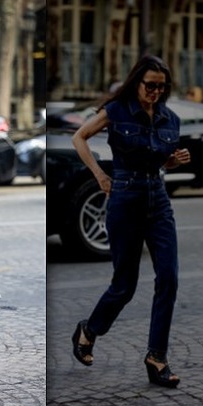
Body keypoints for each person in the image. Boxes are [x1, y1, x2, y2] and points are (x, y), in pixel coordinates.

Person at [70, 55, 191, 388]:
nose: (154, 92)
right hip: (124, 196)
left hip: (158, 198)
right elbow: (79, 137)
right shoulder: (117, 110)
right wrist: (99, 176)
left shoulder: (170, 118)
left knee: (169, 277)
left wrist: (174, 161)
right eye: (149, 85)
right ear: (137, 82)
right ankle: (88, 330)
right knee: (124, 285)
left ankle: (157, 358)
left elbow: (160, 160)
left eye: (160, 87)